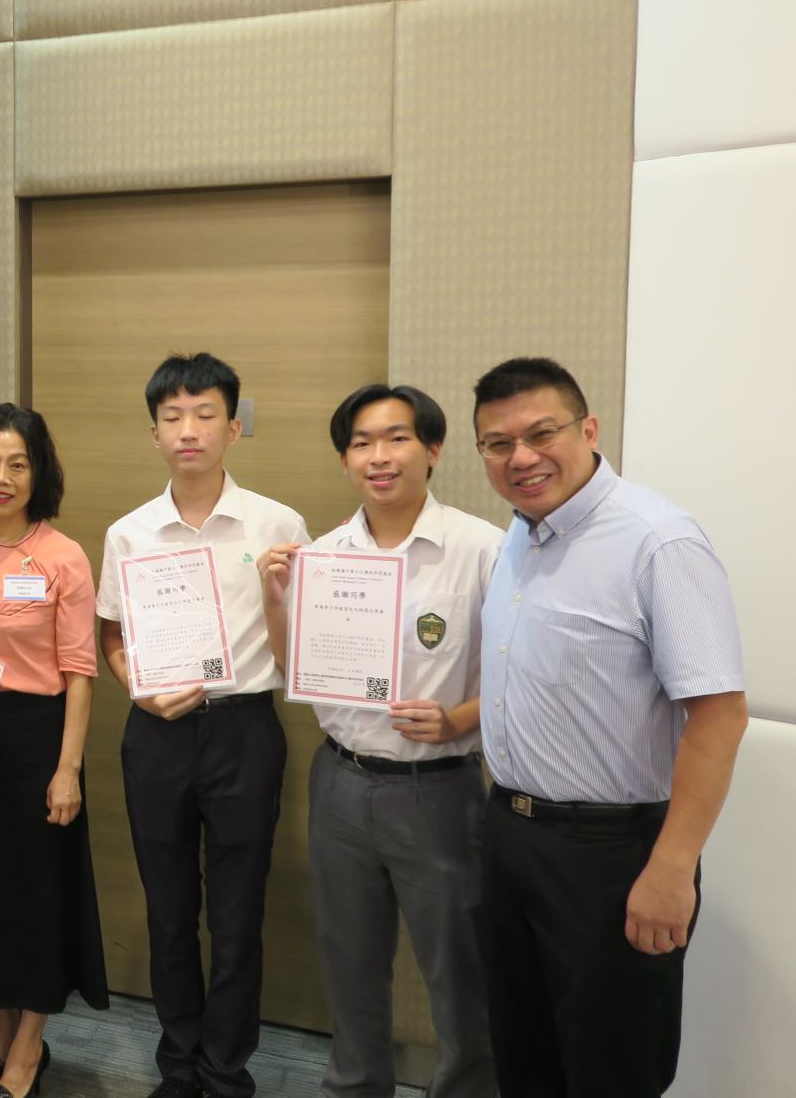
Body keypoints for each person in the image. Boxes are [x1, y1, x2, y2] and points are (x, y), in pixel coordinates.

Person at [471, 356, 747, 1098]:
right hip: (512, 834)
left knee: (611, 1069)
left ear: (588, 429)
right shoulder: (520, 536)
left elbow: (719, 714)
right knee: (525, 1054)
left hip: (613, 853)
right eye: (498, 443)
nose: (521, 457)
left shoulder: (658, 540)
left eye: (541, 433)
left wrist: (672, 868)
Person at [258, 384, 500, 1098]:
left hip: (438, 789)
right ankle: (355, 1087)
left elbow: (524, 674)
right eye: (361, 443)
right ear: (345, 460)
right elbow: (293, 668)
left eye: (397, 438)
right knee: (350, 963)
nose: (378, 456)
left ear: (433, 449)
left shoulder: (483, 548)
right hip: (340, 781)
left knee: (459, 971)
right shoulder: (325, 555)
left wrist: (458, 720)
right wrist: (274, 598)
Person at [95, 352, 309, 1098]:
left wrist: (279, 594)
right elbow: (111, 635)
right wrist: (137, 690)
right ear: (154, 432)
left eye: (206, 414)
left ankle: (225, 1071)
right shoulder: (129, 533)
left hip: (245, 732)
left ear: (234, 427)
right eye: (173, 417)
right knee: (168, 910)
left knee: (238, 913)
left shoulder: (278, 524)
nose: (189, 430)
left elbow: (301, 650)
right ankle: (179, 1065)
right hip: (157, 734)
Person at [0, 404, 109, 1098]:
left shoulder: (62, 556)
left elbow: (79, 671)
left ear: (39, 474)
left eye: (17, 464)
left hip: (37, 740)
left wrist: (68, 770)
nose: (0, 477)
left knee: (35, 898)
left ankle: (30, 1043)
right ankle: (1, 1028)